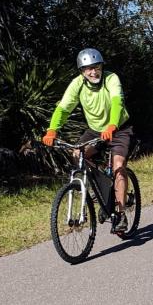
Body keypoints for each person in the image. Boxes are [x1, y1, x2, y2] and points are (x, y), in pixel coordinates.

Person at [42, 48, 133, 231]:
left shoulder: (111, 79)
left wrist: (112, 125)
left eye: (96, 67)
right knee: (78, 155)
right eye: (88, 69)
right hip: (95, 131)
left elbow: (117, 102)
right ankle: (99, 192)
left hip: (119, 129)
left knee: (118, 166)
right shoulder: (77, 85)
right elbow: (63, 108)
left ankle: (121, 213)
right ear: (82, 71)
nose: (93, 72)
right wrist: (52, 130)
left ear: (101, 66)